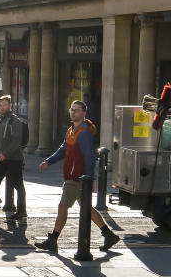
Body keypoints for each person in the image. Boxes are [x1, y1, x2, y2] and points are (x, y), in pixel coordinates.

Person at [35, 100, 120, 253]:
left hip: (76, 178)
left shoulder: (84, 133)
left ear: (84, 113)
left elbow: (90, 156)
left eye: (77, 110)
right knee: (87, 208)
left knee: (63, 207)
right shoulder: (71, 130)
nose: (73, 112)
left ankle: (53, 240)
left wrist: (89, 178)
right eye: (72, 110)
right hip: (75, 176)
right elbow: (63, 149)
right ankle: (109, 235)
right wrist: (49, 161)